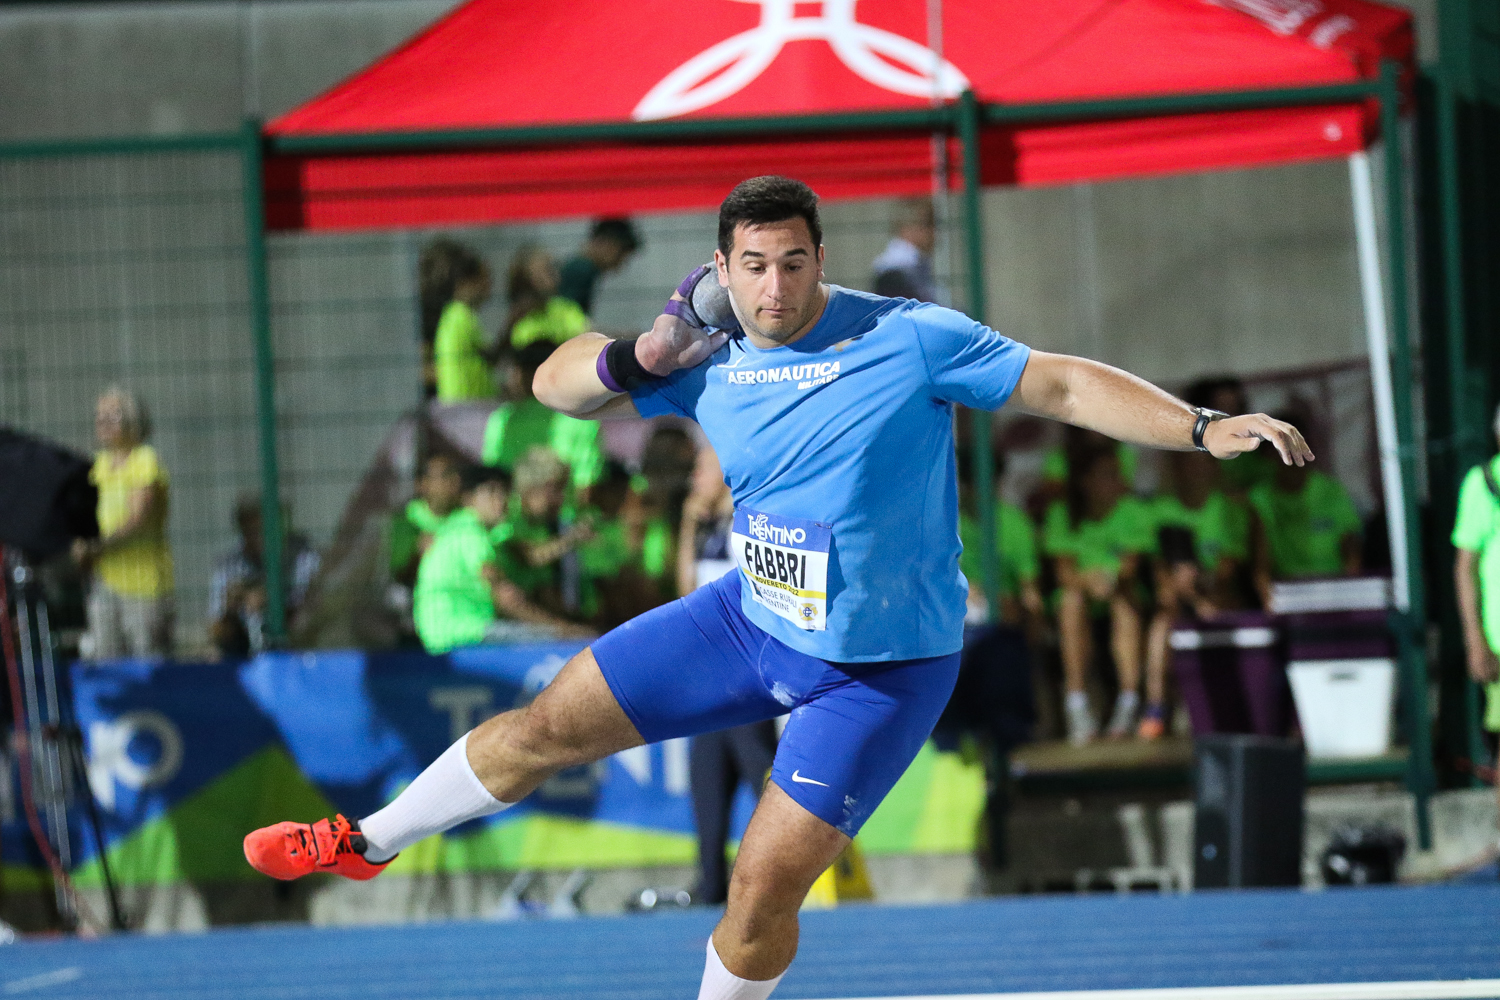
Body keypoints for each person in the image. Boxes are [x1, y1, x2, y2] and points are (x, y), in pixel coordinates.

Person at [245, 175, 1311, 1000]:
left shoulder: (908, 337)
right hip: (747, 623)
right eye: (753, 267)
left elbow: (1063, 383)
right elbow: (550, 384)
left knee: (759, 890)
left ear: (819, 259)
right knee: (540, 728)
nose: (775, 289)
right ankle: (366, 841)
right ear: (722, 266)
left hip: (881, 669)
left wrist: (1202, 427)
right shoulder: (702, 355)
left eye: (794, 264)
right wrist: (639, 354)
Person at [678, 443, 780, 905]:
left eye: (702, 468)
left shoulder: (750, 523)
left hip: (744, 677)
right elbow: (685, 595)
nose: (694, 478)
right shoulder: (710, 529)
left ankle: (780, 879)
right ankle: (711, 884)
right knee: (707, 786)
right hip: (709, 683)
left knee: (763, 779)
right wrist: (687, 527)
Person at [1045, 443, 1158, 744]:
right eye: (1108, 475)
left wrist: (1107, 578)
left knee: (1124, 603)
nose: (1118, 482)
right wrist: (1090, 581)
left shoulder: (1133, 511)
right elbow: (1064, 573)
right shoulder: (1062, 513)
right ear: (1085, 482)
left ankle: (1128, 702)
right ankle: (1077, 703)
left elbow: (1130, 567)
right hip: (1080, 597)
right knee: (1070, 602)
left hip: (1121, 593)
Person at [412, 465, 588, 653]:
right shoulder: (470, 534)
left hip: (446, 635)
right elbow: (507, 598)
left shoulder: (458, 529)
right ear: (468, 498)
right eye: (491, 491)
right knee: (564, 642)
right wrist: (562, 630)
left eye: (504, 491)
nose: (500, 499)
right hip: (461, 635)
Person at [1140, 449, 1251, 738]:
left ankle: (1209, 704)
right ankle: (1157, 706)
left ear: (1214, 468)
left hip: (1221, 595)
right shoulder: (1162, 510)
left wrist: (1200, 584)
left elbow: (1228, 571)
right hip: (1180, 599)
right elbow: (1160, 571)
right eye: (1187, 464)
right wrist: (1187, 592)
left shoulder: (1228, 509)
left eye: (1200, 464)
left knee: (1214, 610)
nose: (1194, 472)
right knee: (1163, 622)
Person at [73, 387, 173, 659]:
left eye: (112, 415)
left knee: (146, 659)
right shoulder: (99, 464)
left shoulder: (144, 460)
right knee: (105, 658)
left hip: (144, 583)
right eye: (99, 415)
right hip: (105, 581)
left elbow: (138, 518)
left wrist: (97, 545)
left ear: (133, 421)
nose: (103, 421)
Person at [1248, 411, 1361, 607]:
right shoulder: (1259, 499)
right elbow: (1261, 566)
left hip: (1335, 590)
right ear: (1269, 453)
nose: (1292, 452)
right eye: (1282, 446)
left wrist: (1347, 596)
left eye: (1298, 444)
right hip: (1287, 594)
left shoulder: (1331, 491)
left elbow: (1352, 552)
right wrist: (1272, 603)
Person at [207, 495, 321, 659]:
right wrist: (230, 610)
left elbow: (313, 616)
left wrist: (272, 604)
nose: (259, 536)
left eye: (266, 528)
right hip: (246, 652)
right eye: (251, 530)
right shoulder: (230, 564)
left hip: (298, 651)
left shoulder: (305, 557)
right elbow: (216, 631)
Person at [481, 342, 604, 491]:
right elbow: (587, 485)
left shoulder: (502, 418)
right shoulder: (582, 418)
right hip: (565, 505)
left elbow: (494, 480)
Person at [433, 248, 500, 403]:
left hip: (459, 403)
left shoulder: (452, 314)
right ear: (466, 283)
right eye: (484, 279)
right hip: (466, 405)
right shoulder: (462, 315)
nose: (489, 286)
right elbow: (492, 356)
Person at [389, 453, 465, 587]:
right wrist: (417, 553)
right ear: (423, 484)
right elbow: (398, 571)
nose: (454, 481)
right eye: (445, 475)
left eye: (455, 475)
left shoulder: (467, 517)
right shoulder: (407, 519)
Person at [505, 246, 590, 352]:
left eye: (553, 268)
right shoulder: (520, 323)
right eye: (546, 270)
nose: (556, 275)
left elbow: (587, 337)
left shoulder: (566, 308)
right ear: (524, 280)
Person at [558, 218, 643, 316]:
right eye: (620, 254)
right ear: (606, 243)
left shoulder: (583, 267)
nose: (620, 263)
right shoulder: (582, 270)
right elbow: (570, 316)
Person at [870, 197, 940, 303]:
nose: (935, 233)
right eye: (928, 224)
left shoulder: (915, 263)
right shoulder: (894, 271)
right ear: (908, 227)